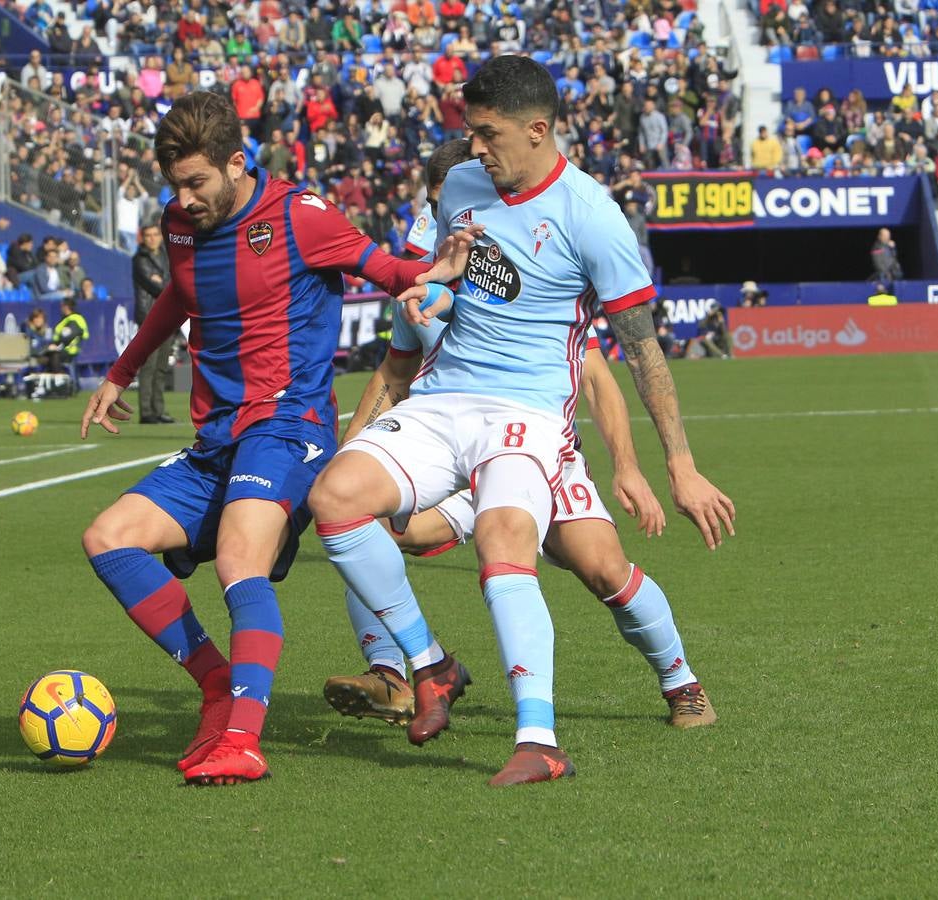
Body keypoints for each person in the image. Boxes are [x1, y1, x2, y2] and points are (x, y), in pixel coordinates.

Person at [309, 56, 734, 786]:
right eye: (468, 132)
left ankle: (677, 679)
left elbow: (636, 353)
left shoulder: (591, 215)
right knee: (339, 500)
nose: (473, 148)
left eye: (486, 133)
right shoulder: (460, 190)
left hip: (535, 423)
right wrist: (432, 292)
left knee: (600, 568)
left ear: (537, 131)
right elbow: (439, 294)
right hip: (446, 408)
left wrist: (673, 465)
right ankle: (421, 666)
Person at [77, 92, 465, 787]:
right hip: (219, 436)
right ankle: (218, 685)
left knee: (236, 560)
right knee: (108, 538)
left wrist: (435, 271)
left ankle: (242, 741)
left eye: (196, 182)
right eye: (175, 185)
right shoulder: (179, 221)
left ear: (236, 162)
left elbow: (383, 269)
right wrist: (122, 371)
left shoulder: (299, 216)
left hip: (288, 424)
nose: (184, 198)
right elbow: (178, 293)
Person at [131, 222, 175, 424]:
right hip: (149, 315)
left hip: (168, 314)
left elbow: (174, 280)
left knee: (161, 366)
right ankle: (146, 412)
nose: (152, 238)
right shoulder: (140, 259)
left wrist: (165, 282)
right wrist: (167, 284)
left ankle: (159, 409)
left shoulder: (167, 255)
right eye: (147, 235)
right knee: (149, 365)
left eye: (155, 234)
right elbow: (153, 285)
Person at [49, 297, 89, 390]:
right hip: (64, 348)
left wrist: (57, 346)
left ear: (66, 307)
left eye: (62, 306)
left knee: (54, 356)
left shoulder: (74, 319)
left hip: (69, 350)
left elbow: (68, 336)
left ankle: (59, 384)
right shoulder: (66, 319)